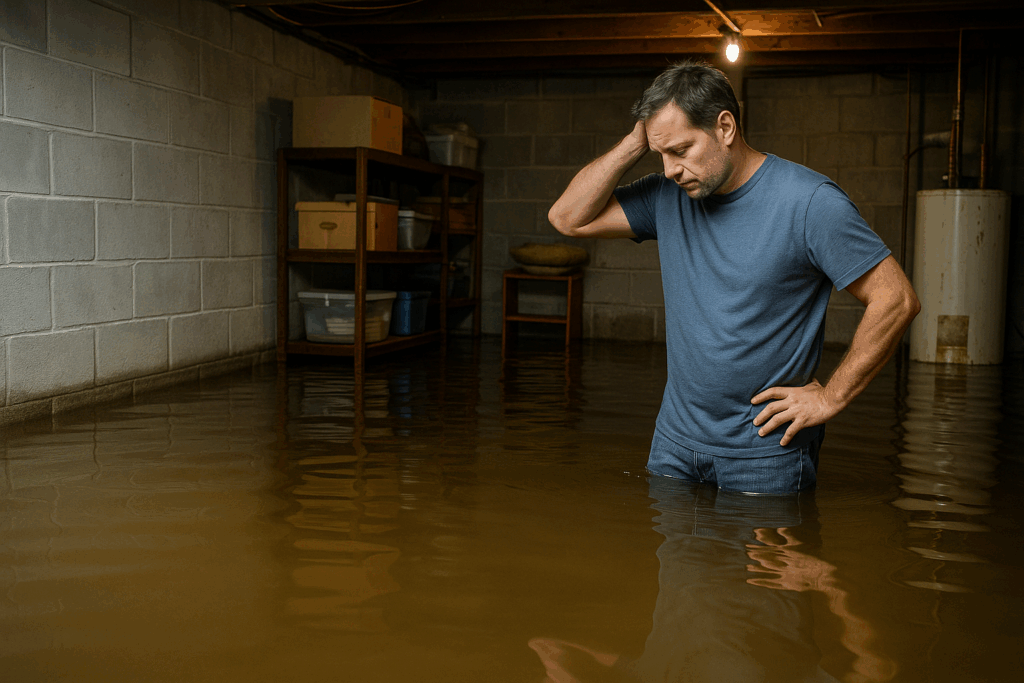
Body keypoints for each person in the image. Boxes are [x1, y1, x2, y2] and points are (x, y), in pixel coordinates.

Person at [548, 61, 920, 495]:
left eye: (681, 150)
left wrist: (830, 397)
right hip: (673, 445)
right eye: (660, 154)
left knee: (775, 563)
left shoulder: (810, 203)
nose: (670, 169)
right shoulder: (666, 195)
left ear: (725, 127)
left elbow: (896, 299)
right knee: (675, 563)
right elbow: (567, 218)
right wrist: (637, 142)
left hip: (766, 453)